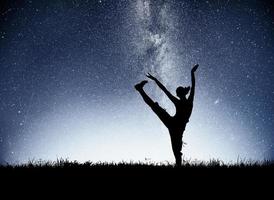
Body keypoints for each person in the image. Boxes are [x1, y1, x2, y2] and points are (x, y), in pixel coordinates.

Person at [135, 64, 199, 166]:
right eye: (179, 93)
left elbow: (166, 90)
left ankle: (140, 90)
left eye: (179, 92)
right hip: (173, 125)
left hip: (175, 127)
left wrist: (192, 72)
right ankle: (140, 89)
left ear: (182, 93)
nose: (178, 94)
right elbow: (165, 90)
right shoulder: (187, 101)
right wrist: (155, 79)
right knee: (155, 107)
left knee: (177, 153)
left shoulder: (186, 101)